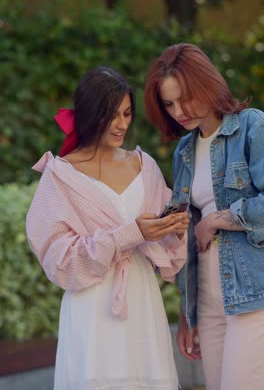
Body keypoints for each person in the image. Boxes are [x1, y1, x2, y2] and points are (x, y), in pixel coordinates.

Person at [26, 66, 189, 390]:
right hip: (91, 307)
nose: (122, 125)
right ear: (89, 114)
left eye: (127, 114)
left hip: (142, 299)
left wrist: (176, 229)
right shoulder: (60, 176)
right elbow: (59, 260)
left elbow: (170, 255)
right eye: (111, 115)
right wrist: (129, 234)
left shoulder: (145, 167)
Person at [144, 43, 264, 390]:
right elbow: (186, 242)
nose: (179, 111)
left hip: (251, 296)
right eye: (169, 103)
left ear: (206, 84)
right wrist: (187, 316)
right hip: (208, 301)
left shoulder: (250, 127)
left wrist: (217, 219)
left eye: (185, 98)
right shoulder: (184, 151)